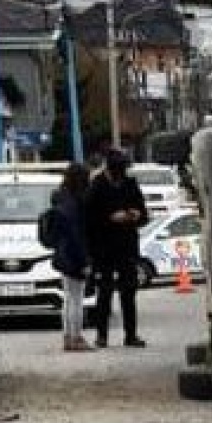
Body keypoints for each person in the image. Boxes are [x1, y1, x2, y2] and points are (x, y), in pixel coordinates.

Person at [85, 149, 149, 348]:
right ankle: (101, 335)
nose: (119, 177)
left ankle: (131, 334)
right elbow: (89, 219)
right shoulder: (97, 187)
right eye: (116, 173)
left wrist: (136, 215)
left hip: (127, 245)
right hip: (104, 247)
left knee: (129, 291)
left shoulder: (130, 185)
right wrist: (110, 218)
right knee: (104, 291)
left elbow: (144, 213)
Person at [51, 163, 94, 352]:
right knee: (77, 298)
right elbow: (77, 233)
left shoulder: (59, 197)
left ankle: (67, 336)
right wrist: (85, 259)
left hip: (62, 251)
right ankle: (77, 337)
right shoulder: (76, 202)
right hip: (75, 254)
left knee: (67, 297)